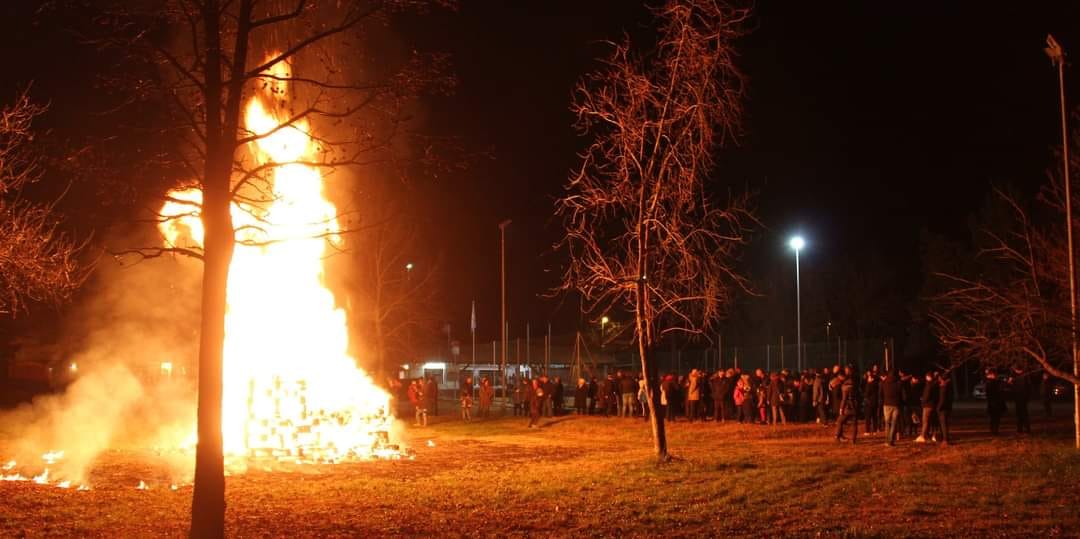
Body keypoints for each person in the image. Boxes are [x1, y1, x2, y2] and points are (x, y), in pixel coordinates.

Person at [880, 368, 902, 446]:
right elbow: (901, 394)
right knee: (893, 423)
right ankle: (891, 440)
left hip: (886, 404)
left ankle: (887, 440)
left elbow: (881, 394)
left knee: (887, 423)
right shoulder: (899, 383)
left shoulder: (884, 382)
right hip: (896, 405)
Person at [833, 372, 857, 443]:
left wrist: (841, 408)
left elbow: (844, 399)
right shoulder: (854, 386)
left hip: (847, 407)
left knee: (839, 421)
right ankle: (853, 439)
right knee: (854, 424)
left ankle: (837, 436)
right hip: (854, 406)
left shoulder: (844, 387)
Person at [916, 372, 939, 443]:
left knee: (925, 421)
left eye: (926, 376)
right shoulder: (935, 384)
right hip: (933, 405)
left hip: (927, 405)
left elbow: (927, 395)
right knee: (931, 421)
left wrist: (923, 400)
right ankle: (932, 435)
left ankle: (923, 436)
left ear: (928, 377)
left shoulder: (929, 385)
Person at [985, 369, 1007, 436]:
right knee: (994, 417)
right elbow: (991, 393)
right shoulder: (990, 382)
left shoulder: (994, 382)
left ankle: (994, 430)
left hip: (996, 402)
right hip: (994, 402)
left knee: (995, 417)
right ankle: (994, 430)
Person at [1011, 366, 1031, 434]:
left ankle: (1023, 429)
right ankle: (1022, 429)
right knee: (1022, 414)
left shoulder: (1021, 377)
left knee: (1022, 414)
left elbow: (1015, 387)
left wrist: (1011, 383)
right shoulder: (1024, 376)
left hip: (1020, 398)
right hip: (1021, 398)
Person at [937, 373, 953, 445]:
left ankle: (945, 439)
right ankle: (945, 438)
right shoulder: (948, 386)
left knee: (943, 424)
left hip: (943, 409)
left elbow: (942, 399)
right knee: (945, 424)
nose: (939, 379)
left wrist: (938, 408)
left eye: (940, 378)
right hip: (947, 407)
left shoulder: (944, 387)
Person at [863, 370, 880, 434]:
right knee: (874, 417)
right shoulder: (877, 384)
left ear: (872, 378)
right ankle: (875, 430)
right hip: (875, 402)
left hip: (869, 403)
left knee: (868, 417)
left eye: (869, 377)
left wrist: (868, 384)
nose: (868, 378)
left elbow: (866, 394)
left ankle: (867, 431)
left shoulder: (869, 385)